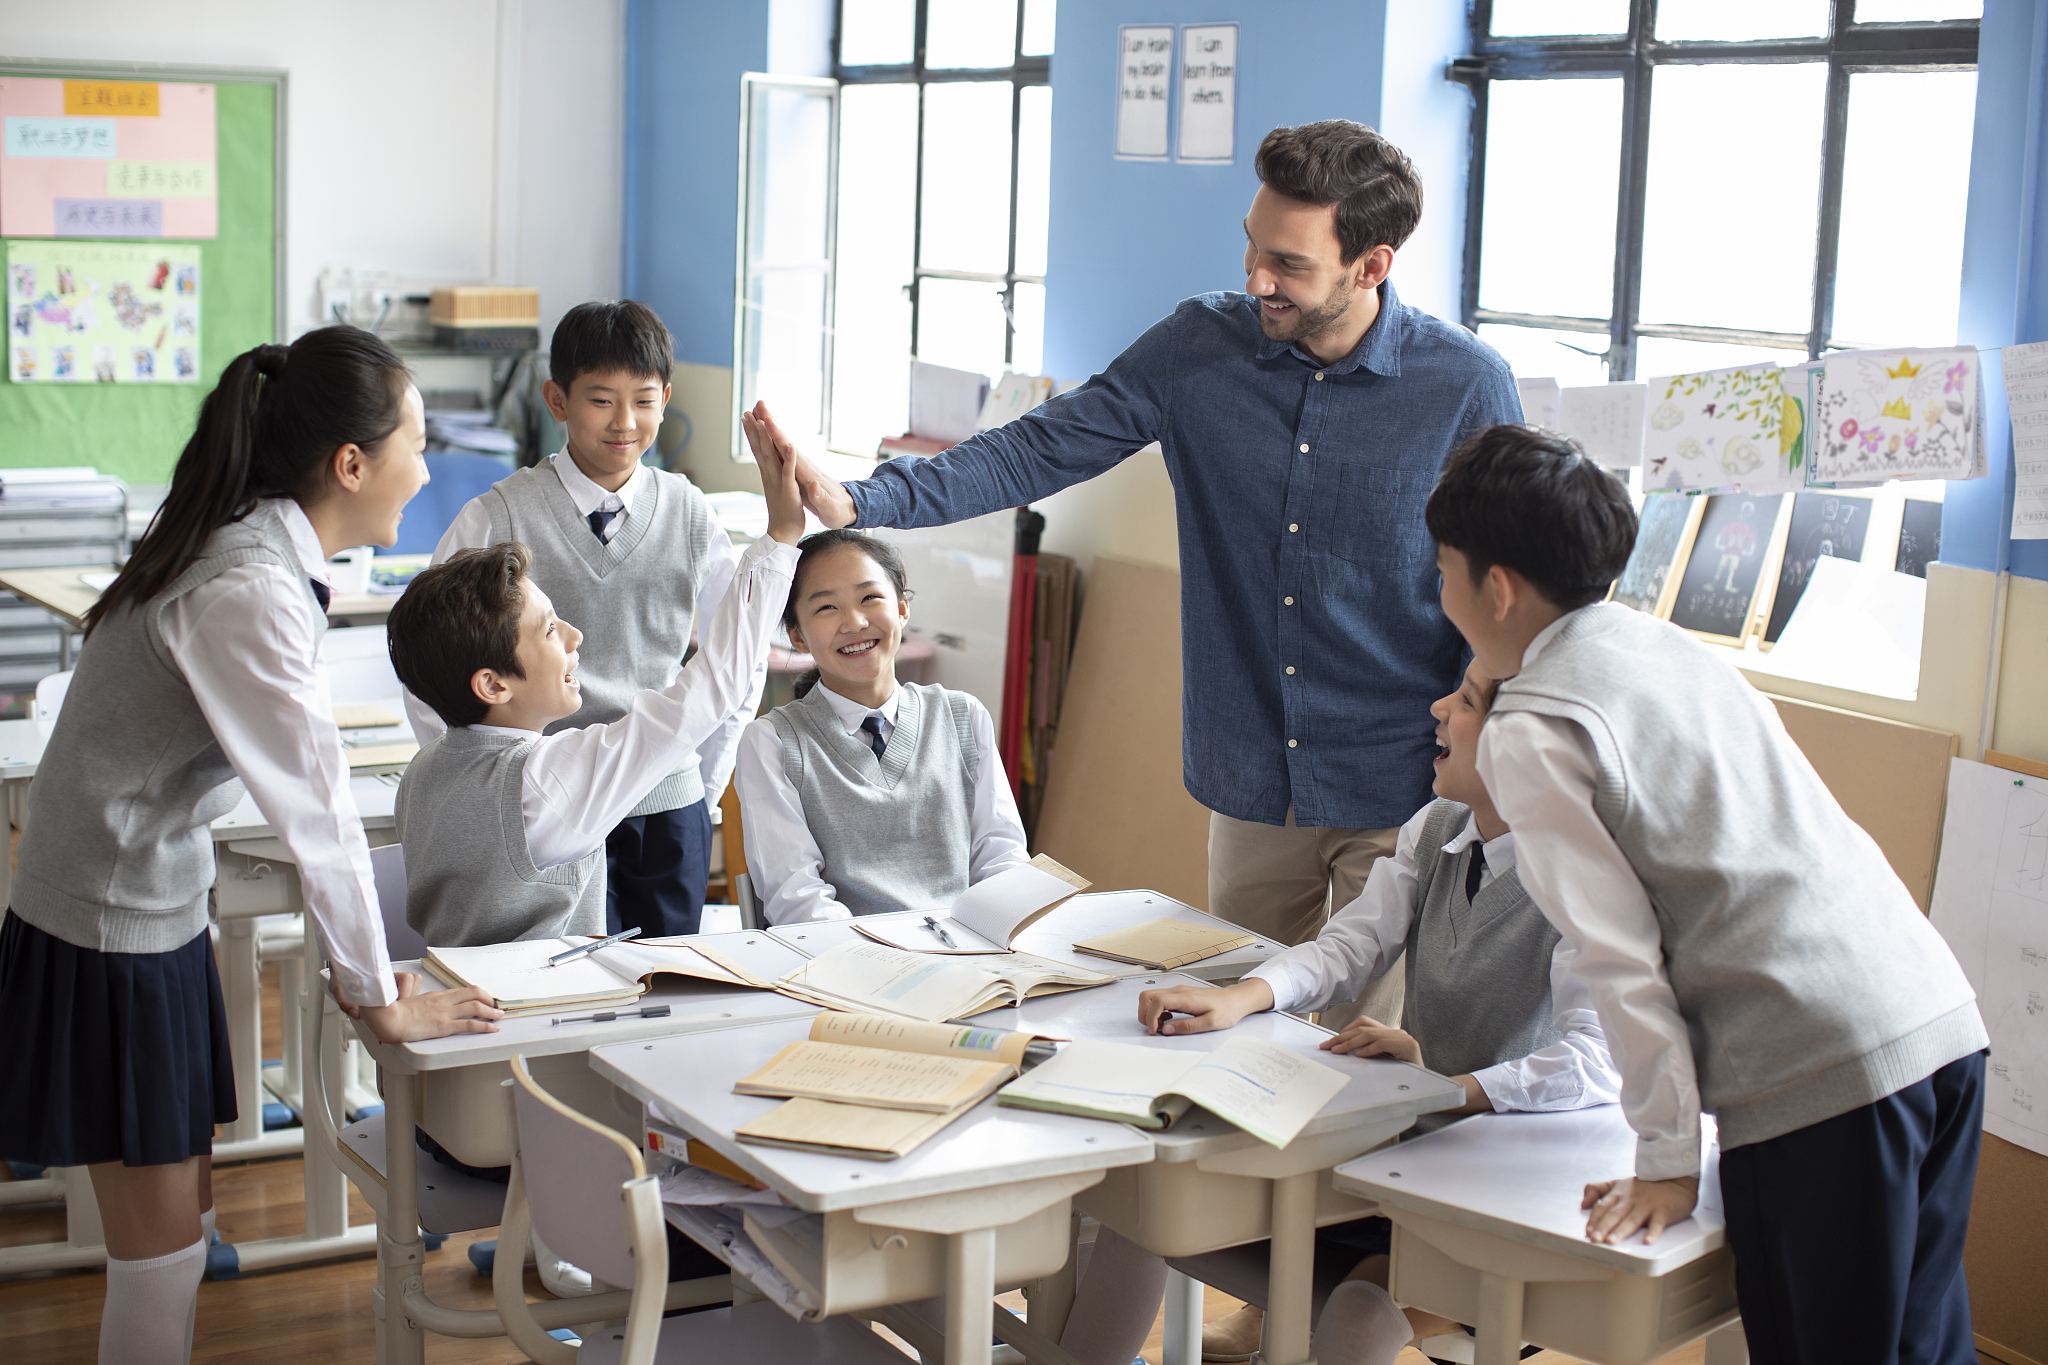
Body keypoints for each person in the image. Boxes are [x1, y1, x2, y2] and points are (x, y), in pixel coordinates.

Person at [747, 119, 1521, 1028]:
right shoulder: (1199, 348)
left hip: (1401, 787)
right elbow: (1037, 449)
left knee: (1350, 1052)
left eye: (1289, 264)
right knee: (1230, 1041)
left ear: (1372, 266)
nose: (1256, 278)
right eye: (1251, 245)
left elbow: (1516, 592)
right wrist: (859, 499)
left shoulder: (1466, 387)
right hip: (1252, 783)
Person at [1426, 424, 1988, 1365]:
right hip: (1934, 1015)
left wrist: (1667, 1164)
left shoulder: (1531, 726)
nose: (1439, 592)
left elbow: (1618, 957)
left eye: (1444, 568)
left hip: (1816, 1068)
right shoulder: (1660, 643)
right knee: (1925, 1349)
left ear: (1497, 586)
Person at [0, 328, 504, 1365]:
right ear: (349, 465)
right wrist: (377, 996)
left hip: (142, 907)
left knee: (177, 1231)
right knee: (160, 1251)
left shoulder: (249, 547)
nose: (425, 462)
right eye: (414, 440)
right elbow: (316, 815)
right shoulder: (247, 587)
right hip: (110, 929)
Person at [1122, 660, 1619, 1365]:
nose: (1439, 707)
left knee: (1358, 1311)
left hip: (1517, 1189)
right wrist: (1240, 996)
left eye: (1468, 699)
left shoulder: (1586, 878)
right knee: (1166, 1200)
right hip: (1420, 1156)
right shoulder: (1438, 825)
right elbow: (1349, 945)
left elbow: (1598, 1059)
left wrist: (1455, 1088)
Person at [405, 299, 757, 939]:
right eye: (601, 400)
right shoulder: (498, 516)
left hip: (664, 808)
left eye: (644, 400)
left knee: (663, 1000)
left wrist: (703, 787)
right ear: (557, 399)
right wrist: (481, 784)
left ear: (666, 398)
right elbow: (433, 657)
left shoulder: (692, 514)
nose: (625, 422)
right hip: (540, 804)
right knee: (564, 997)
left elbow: (736, 659)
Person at [733, 528, 1029, 923]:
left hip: (968, 954)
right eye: (826, 608)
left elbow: (1002, 856)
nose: (854, 622)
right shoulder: (772, 742)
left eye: (869, 598)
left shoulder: (963, 716)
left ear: (903, 609)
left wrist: (985, 937)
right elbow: (796, 897)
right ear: (797, 637)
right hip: (847, 965)